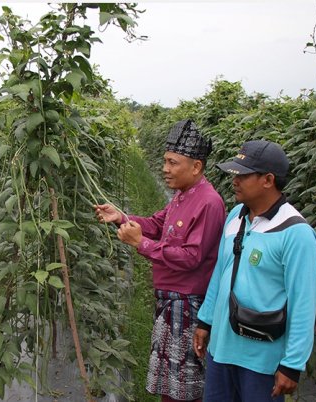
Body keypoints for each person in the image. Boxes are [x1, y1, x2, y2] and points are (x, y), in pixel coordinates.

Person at [95, 120, 225, 402]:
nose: (164, 169)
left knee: (184, 386)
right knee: (171, 384)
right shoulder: (182, 195)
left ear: (196, 166)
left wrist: (141, 244)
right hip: (170, 301)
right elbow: (156, 223)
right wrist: (121, 217)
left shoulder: (208, 202)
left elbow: (191, 257)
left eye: (172, 162)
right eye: (165, 161)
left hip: (187, 305)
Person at [193, 140, 316, 401]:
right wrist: (206, 321)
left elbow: (303, 302)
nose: (234, 181)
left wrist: (292, 365)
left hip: (262, 361)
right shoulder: (237, 215)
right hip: (222, 350)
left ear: (268, 180)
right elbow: (221, 270)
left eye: (243, 175)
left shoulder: (295, 233)